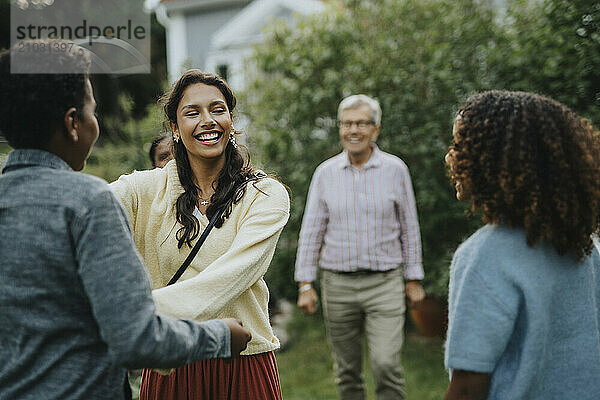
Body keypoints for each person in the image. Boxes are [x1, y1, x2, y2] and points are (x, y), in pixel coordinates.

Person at [0, 43, 251, 400]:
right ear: (73, 123)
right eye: (93, 111)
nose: (95, 123)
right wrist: (221, 336)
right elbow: (136, 338)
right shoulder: (88, 203)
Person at [110, 69, 290, 400]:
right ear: (175, 130)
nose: (207, 120)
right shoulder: (147, 189)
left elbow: (231, 275)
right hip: (172, 360)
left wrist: (137, 315)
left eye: (217, 109)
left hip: (243, 359)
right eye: (192, 112)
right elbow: (82, 207)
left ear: (231, 121)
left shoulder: (265, 195)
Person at [444, 90, 600, 400]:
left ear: (497, 159)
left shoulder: (484, 256)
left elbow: (467, 386)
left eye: (460, 145)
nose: (450, 156)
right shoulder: (581, 247)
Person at [295, 94, 426, 400]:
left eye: (361, 123)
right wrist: (305, 283)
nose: (353, 130)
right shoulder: (325, 173)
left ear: (375, 129)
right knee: (347, 372)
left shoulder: (395, 169)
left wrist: (414, 278)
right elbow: (312, 230)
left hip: (385, 282)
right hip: (338, 286)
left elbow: (409, 227)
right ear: (340, 128)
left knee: (386, 364)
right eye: (347, 123)